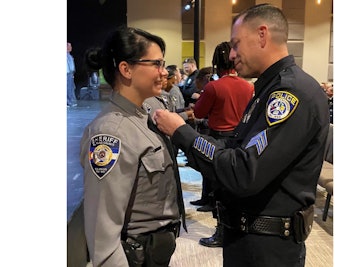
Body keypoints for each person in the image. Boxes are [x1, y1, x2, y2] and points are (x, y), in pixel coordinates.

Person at [153, 4, 330, 267]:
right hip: (251, 238)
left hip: (268, 248)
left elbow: (244, 171)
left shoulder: (289, 94)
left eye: (236, 44)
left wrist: (183, 133)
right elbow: (238, 149)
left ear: (262, 35)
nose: (232, 54)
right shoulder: (267, 88)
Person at [80, 26, 186, 267]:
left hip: (156, 250)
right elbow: (103, 238)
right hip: (136, 256)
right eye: (156, 64)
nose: (164, 72)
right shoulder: (110, 133)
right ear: (126, 69)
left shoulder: (147, 112)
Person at [193, 41, 254, 247]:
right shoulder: (248, 86)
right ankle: (232, 228)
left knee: (218, 188)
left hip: (218, 139)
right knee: (233, 186)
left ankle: (221, 231)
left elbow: (199, 113)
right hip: (241, 139)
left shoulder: (213, 86)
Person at [67, 42, 78, 107]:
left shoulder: (70, 55)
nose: (70, 48)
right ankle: (68, 102)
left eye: (70, 46)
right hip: (67, 73)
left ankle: (70, 101)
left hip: (70, 74)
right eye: (69, 46)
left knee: (71, 88)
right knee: (67, 88)